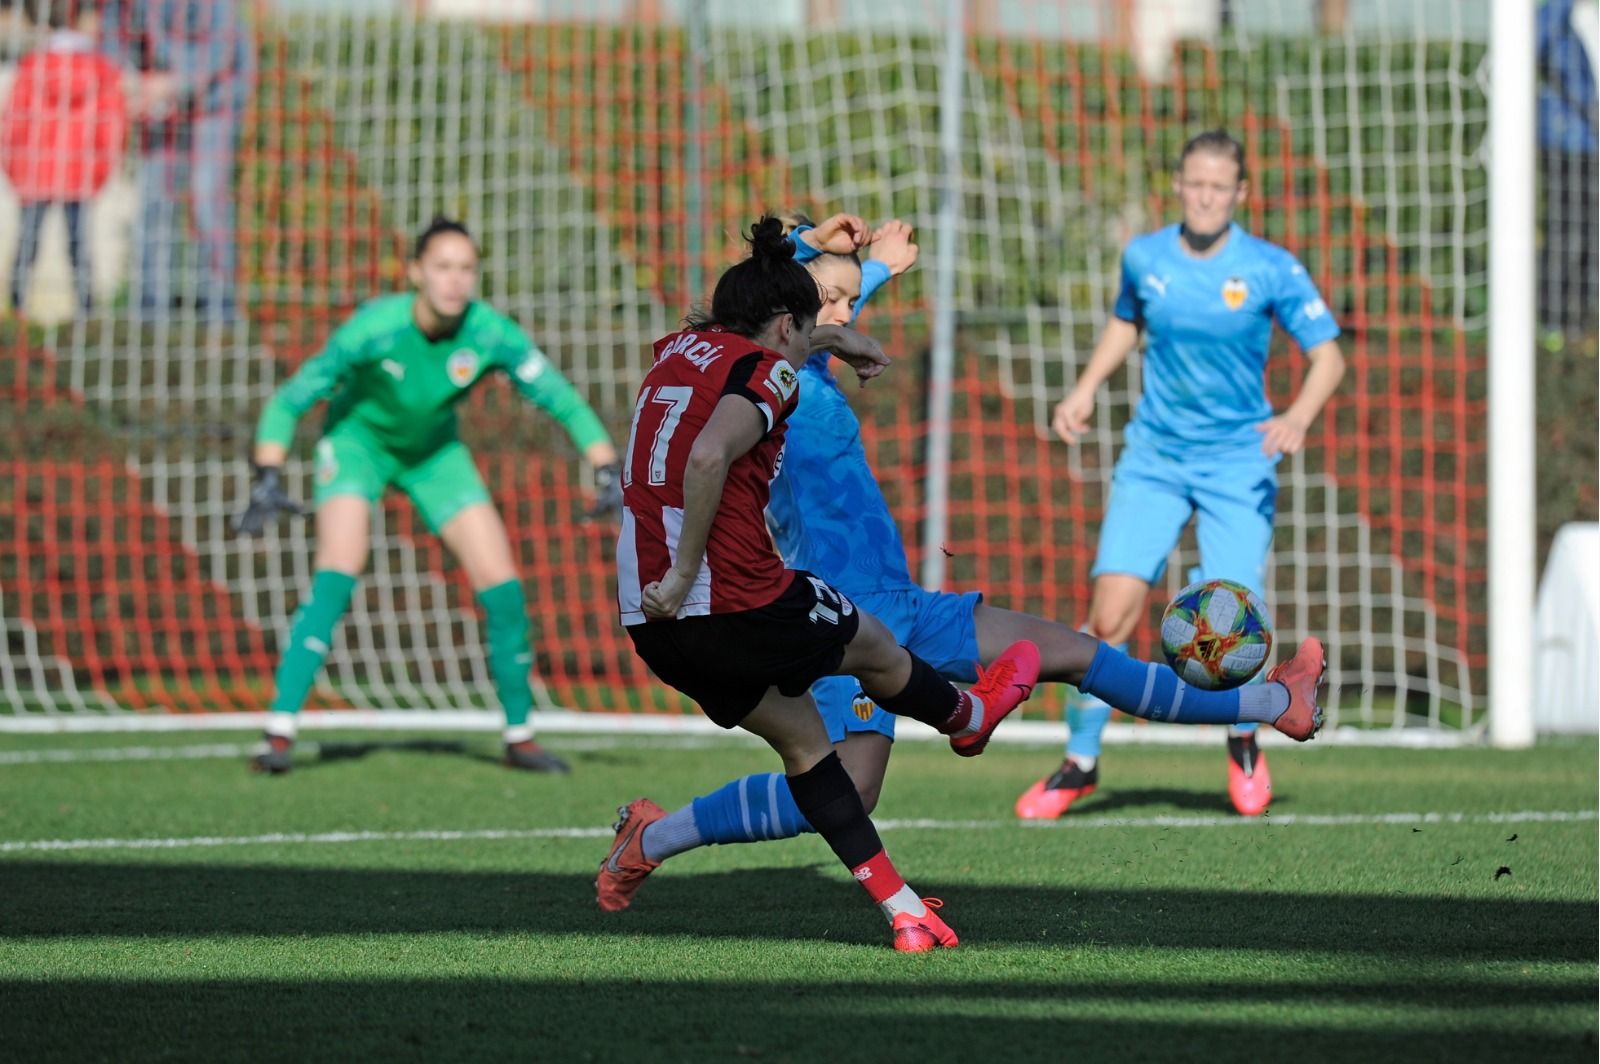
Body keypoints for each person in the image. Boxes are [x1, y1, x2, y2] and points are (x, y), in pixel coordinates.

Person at [595, 215, 1330, 947]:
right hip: (829, 606)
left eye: (850, 302)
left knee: (1074, 653)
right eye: (830, 305)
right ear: (789, 321)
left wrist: (857, 274)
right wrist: (838, 258)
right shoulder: (780, 384)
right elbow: (779, 333)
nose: (844, 315)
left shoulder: (772, 359)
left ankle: (1272, 700)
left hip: (901, 602)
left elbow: (789, 314)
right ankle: (657, 838)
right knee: (844, 788)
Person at [600, 215, 1049, 953]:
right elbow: (711, 455)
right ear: (783, 327)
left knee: (809, 749)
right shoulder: (769, 371)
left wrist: (841, 334)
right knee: (870, 638)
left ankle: (904, 911)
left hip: (652, 625)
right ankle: (965, 715)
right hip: (731, 595)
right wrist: (687, 573)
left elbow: (763, 352)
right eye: (808, 329)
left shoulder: (675, 355)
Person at [1016, 129, 1347, 821]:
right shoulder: (1145, 257)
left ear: (1240, 193)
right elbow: (1125, 324)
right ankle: (1080, 762)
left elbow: (1328, 358)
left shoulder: (1271, 268)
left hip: (1238, 465)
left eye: (1219, 186)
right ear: (1178, 184)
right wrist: (1083, 389)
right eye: (1194, 182)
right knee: (1108, 615)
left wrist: (1299, 417)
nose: (1205, 196)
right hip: (1155, 460)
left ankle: (1244, 739)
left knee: (1233, 628)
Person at [233, 217, 622, 775]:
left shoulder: (490, 333)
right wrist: (268, 473)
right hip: (356, 446)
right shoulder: (372, 329)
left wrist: (605, 466)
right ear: (415, 272)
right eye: (442, 266)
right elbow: (289, 400)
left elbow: (561, 399)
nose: (455, 280)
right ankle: (278, 732)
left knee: (504, 587)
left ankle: (520, 735)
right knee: (338, 572)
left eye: (466, 268)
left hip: (436, 456)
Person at [99, 0, 253, 319]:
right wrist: (128, 82)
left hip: (217, 100)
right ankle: (150, 307)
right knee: (153, 202)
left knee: (207, 201)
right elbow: (113, 38)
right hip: (163, 104)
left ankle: (220, 307)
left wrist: (170, 85)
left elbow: (218, 53)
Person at [0, 0, 126, 315]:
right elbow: (110, 129)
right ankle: (86, 313)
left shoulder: (32, 68)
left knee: (27, 244)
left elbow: (12, 123)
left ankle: (16, 310)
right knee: (79, 247)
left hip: (34, 171)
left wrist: (14, 170)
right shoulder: (101, 71)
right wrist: (100, 173)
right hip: (79, 173)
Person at [1536, 0, 1598, 347]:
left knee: (1594, 235)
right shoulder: (1559, 14)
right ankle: (1555, 323)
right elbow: (1532, 43)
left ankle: (1585, 322)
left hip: (1594, 145)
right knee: (1567, 231)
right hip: (1570, 141)